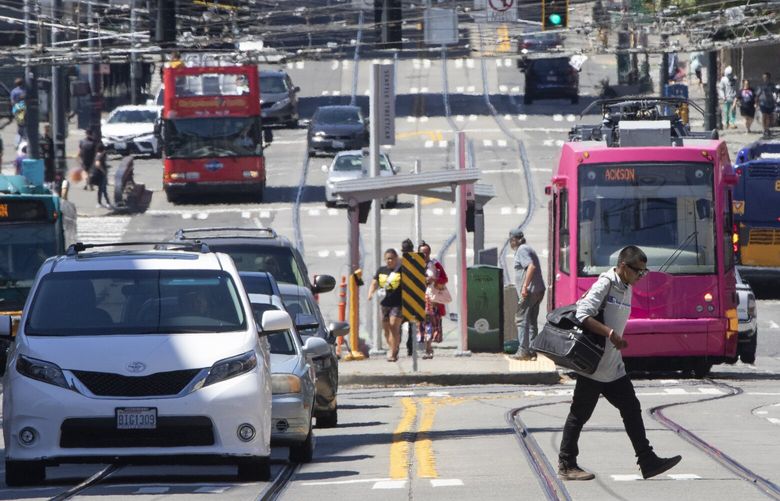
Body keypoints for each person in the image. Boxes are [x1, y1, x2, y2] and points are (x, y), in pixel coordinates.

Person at [557, 246, 682, 481]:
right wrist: (611, 333)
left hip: (613, 367)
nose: (640, 277)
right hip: (594, 366)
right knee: (579, 414)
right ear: (623, 267)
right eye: (638, 271)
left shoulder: (626, 287)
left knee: (632, 409)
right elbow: (583, 313)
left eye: (644, 272)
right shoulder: (606, 283)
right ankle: (566, 464)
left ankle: (647, 460)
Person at [509, 228, 545, 360]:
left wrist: (524, 287)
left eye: (511, 241)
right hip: (538, 290)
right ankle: (531, 350)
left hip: (529, 292)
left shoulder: (522, 250)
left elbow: (531, 266)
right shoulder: (528, 248)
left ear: (514, 240)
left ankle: (523, 351)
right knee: (531, 322)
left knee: (521, 320)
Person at [367, 249, 403, 362]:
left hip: (397, 304)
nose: (390, 260)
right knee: (386, 330)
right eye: (388, 258)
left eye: (392, 258)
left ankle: (392, 352)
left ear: (396, 258)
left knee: (393, 326)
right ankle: (394, 346)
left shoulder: (401, 270)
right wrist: (370, 293)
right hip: (384, 304)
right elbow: (374, 283)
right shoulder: (381, 270)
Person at [417, 241, 448, 359]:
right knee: (421, 325)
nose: (424, 255)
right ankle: (425, 348)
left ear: (429, 252)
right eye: (422, 253)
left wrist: (434, 279)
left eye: (426, 252)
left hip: (432, 300)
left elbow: (444, 279)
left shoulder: (435, 264)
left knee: (430, 324)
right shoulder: (415, 265)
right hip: (418, 299)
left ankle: (428, 348)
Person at [400, 238, 415, 356]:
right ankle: (404, 347)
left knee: (411, 325)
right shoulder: (401, 263)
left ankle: (410, 348)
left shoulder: (416, 262)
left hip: (410, 297)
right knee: (400, 325)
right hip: (402, 298)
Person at [756, 72, 776, 138]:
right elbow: (757, 95)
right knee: (764, 116)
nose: (765, 79)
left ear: (769, 78)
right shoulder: (761, 86)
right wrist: (756, 103)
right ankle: (764, 129)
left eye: (766, 77)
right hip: (763, 103)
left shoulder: (772, 85)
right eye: (764, 78)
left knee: (769, 117)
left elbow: (775, 93)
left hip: (770, 103)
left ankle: (767, 129)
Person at [92, 143, 112, 208]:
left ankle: (100, 203)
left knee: (101, 190)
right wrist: (103, 171)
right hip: (101, 175)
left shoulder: (98, 155)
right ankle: (107, 203)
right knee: (103, 189)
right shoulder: (99, 156)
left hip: (99, 175)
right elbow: (97, 164)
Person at [10, 78, 26, 146]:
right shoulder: (24, 91)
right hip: (23, 109)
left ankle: (18, 142)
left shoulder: (13, 91)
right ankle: (21, 141)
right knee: (23, 126)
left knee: (20, 126)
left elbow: (12, 102)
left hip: (17, 109)